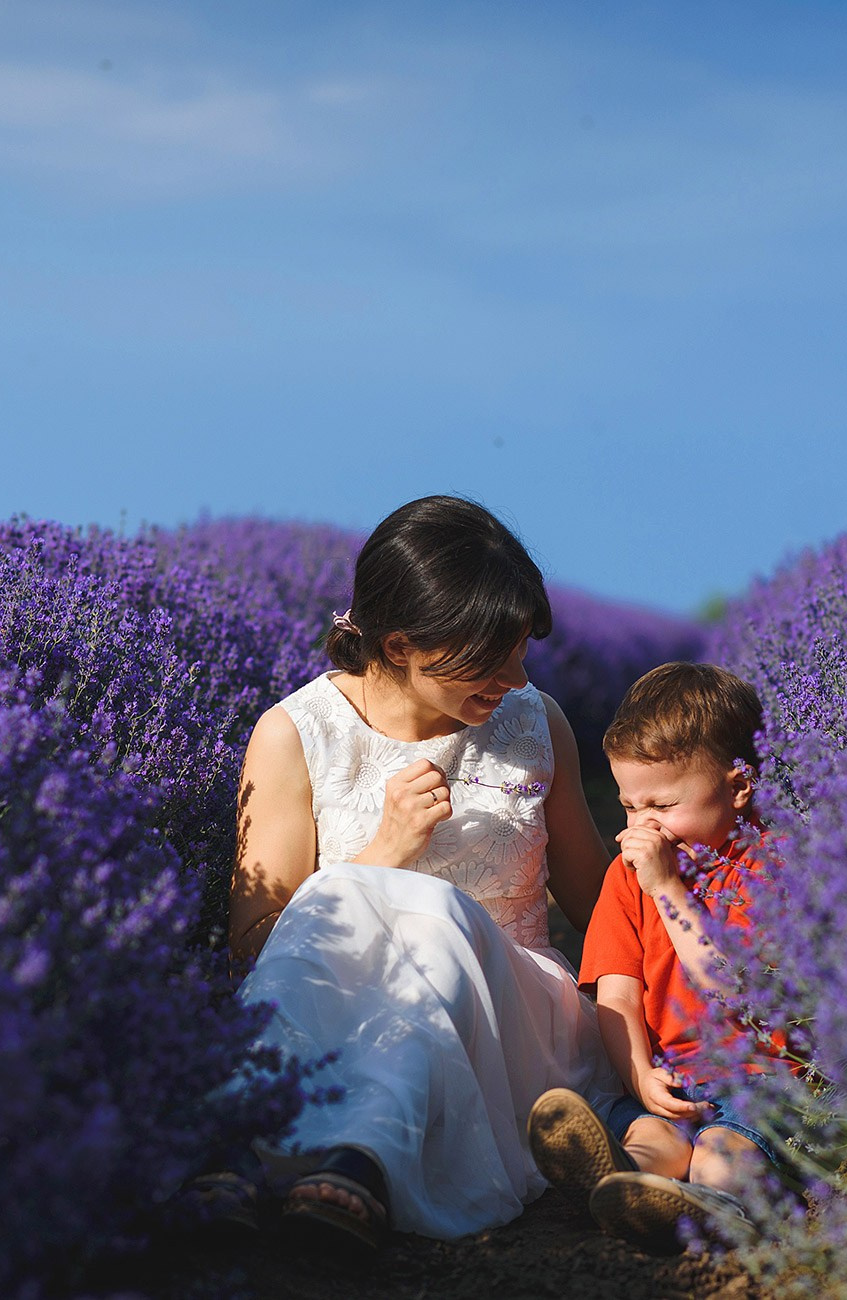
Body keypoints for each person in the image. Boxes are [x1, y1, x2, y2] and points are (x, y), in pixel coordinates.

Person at [220, 495, 617, 1250]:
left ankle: (319, 1151)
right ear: (399, 644)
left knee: (435, 920)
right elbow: (255, 948)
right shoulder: (295, 735)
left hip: (517, 1021)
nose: (513, 675)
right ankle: (307, 1147)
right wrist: (383, 854)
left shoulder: (536, 723)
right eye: (486, 656)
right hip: (345, 1019)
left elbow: (597, 908)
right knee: (350, 890)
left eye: (520, 649)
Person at [527, 662, 799, 1254]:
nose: (641, 827)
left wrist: (670, 890)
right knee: (651, 1138)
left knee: (723, 1155)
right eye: (628, 807)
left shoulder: (770, 864)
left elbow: (737, 988)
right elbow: (617, 993)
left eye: (663, 805)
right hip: (673, 1078)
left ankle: (715, 1207)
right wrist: (638, 1075)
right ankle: (619, 1184)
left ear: (738, 786)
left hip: (760, 1081)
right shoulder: (625, 881)